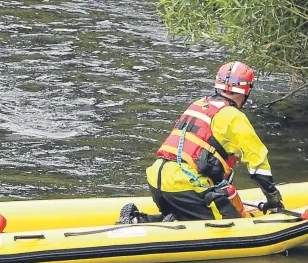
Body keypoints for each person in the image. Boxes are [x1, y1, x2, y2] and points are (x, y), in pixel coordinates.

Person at [117, 61, 284, 224]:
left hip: (157, 180)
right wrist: (273, 199)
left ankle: (139, 220)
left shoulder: (198, 105)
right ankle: (168, 221)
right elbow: (258, 166)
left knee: (191, 215)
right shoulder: (234, 116)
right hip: (186, 186)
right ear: (246, 91)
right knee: (232, 223)